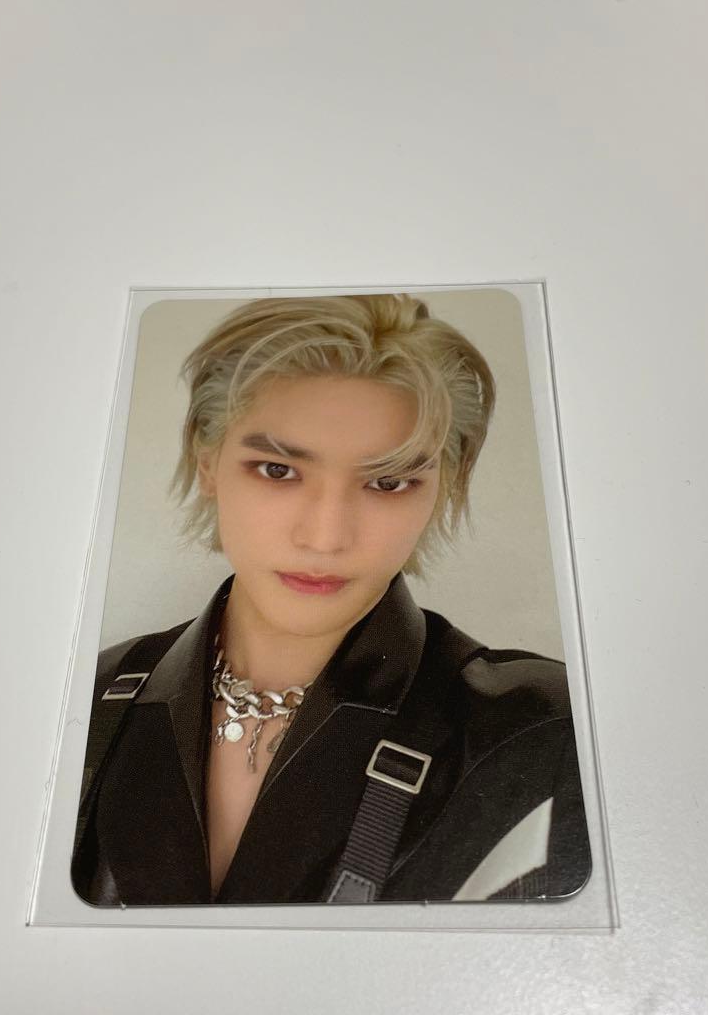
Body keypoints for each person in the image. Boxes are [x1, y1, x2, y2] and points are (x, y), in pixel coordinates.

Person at [71, 293, 591, 905]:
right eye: (277, 470)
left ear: (442, 486)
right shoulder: (84, 701)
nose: (325, 537)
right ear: (206, 460)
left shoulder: (546, 732)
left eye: (388, 482)